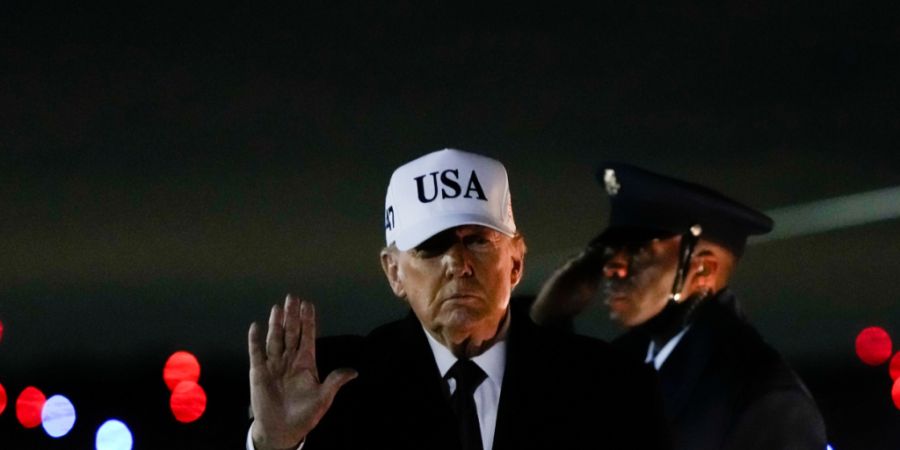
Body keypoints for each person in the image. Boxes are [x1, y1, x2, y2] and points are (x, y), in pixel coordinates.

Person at [246, 149, 671, 450]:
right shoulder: (331, 390)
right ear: (394, 272)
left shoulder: (613, 388)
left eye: (478, 241)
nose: (458, 264)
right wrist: (274, 446)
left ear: (516, 261)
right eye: (431, 248)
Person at [530, 162, 828, 450]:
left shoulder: (761, 393)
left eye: (638, 251)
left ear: (703, 270)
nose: (612, 267)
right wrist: (550, 318)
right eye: (610, 251)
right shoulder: (623, 362)